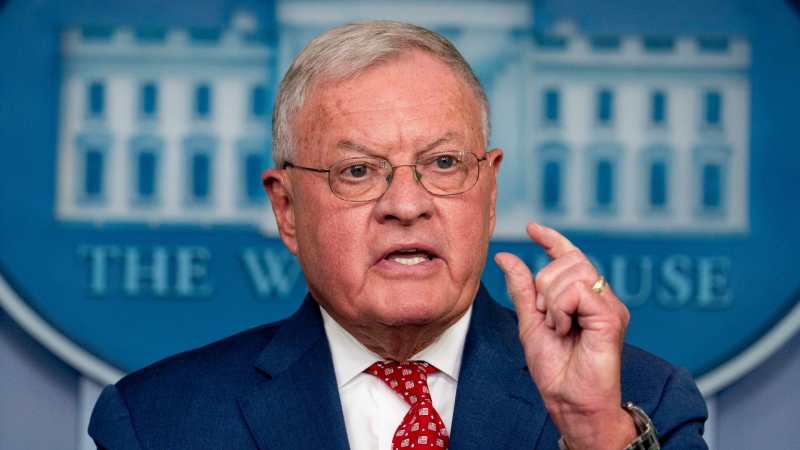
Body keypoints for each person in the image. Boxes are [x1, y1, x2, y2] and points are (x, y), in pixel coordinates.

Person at [89, 20, 707, 449]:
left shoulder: (644, 404)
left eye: (443, 165)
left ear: (488, 193)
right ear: (286, 211)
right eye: (357, 171)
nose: (406, 205)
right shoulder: (156, 423)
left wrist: (594, 435)